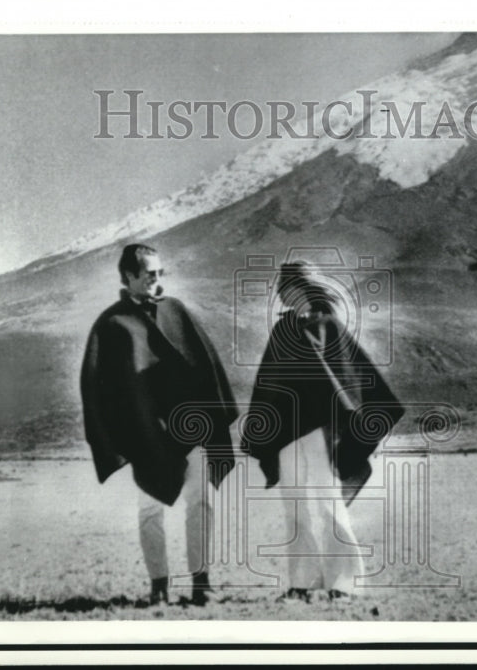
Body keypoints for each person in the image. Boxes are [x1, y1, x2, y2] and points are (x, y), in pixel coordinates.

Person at [80, 244, 238, 606]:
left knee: (202, 500)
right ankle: (159, 585)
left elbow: (206, 366)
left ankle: (202, 583)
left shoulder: (176, 311)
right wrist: (122, 433)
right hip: (146, 435)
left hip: (193, 428)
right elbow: (98, 387)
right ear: (129, 276)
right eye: (150, 273)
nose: (157, 278)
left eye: (160, 272)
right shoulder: (112, 324)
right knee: (150, 508)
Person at [240, 261, 404, 602]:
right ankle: (302, 582)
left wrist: (342, 424)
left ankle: (345, 583)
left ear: (302, 289)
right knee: (294, 506)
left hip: (321, 432)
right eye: (284, 289)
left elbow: (348, 380)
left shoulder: (329, 325)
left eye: (288, 287)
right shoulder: (283, 330)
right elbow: (270, 384)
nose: (284, 294)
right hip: (288, 433)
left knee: (329, 503)